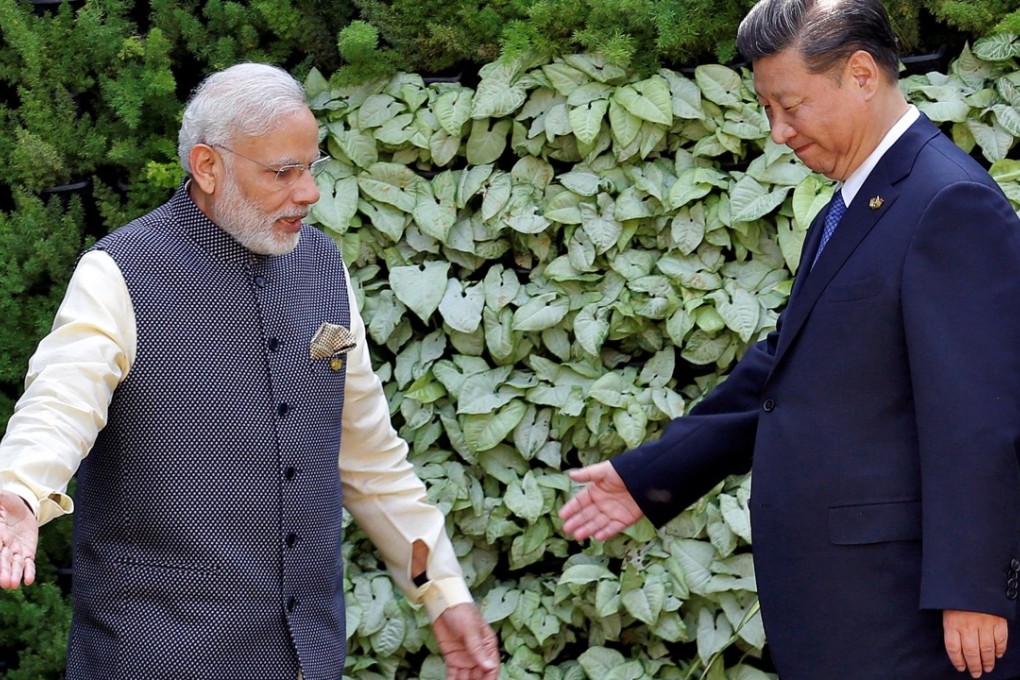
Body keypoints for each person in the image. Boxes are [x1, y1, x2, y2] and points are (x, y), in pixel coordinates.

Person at [560, 1, 1020, 678]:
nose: (778, 131)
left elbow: (980, 417)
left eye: (791, 104)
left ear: (862, 74)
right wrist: (652, 475)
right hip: (846, 608)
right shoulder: (853, 203)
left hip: (907, 618)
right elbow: (785, 371)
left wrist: (975, 590)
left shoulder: (949, 202)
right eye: (767, 108)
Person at [0, 62, 500, 680]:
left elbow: (370, 459)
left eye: (310, 168)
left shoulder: (325, 273)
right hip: (151, 661)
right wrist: (20, 491)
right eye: (282, 172)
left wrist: (441, 591)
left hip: (305, 662)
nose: (309, 193)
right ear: (208, 166)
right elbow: (60, 400)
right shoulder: (118, 273)